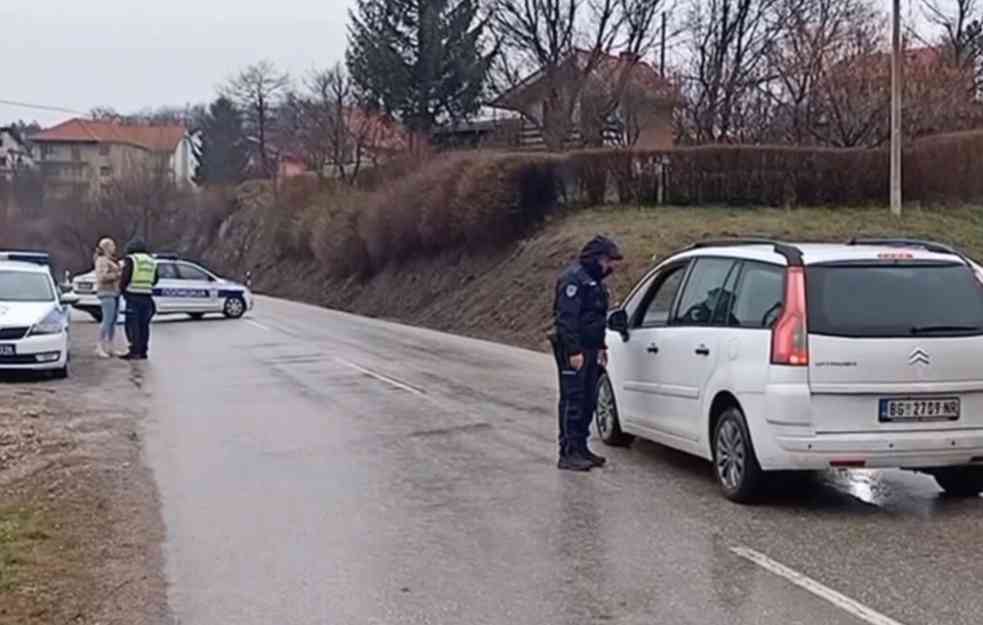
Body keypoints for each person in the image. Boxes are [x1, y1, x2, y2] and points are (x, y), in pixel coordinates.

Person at [550, 235, 623, 472]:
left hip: (591, 349)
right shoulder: (573, 280)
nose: (610, 267)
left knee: (589, 400)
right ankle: (568, 452)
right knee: (573, 399)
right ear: (597, 259)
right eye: (608, 261)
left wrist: (601, 345)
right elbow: (567, 320)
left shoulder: (595, 282)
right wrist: (574, 351)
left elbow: (596, 318)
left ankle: (581, 447)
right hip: (575, 350)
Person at [118, 239, 158, 360]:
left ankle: (134, 351)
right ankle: (143, 351)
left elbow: (126, 277)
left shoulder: (131, 259)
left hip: (133, 295)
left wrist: (122, 289)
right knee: (144, 325)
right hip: (147, 295)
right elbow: (156, 279)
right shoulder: (152, 261)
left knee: (132, 324)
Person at [93, 238, 123, 358]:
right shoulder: (102, 260)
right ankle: (99, 346)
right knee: (107, 320)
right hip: (106, 292)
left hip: (115, 292)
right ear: (106, 247)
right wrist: (117, 275)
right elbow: (102, 277)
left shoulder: (110, 260)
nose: (114, 248)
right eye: (112, 246)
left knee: (113, 321)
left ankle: (110, 346)